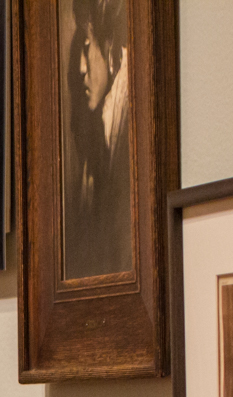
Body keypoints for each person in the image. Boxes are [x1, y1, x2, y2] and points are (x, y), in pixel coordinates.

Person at [62, 0, 131, 279]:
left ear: (109, 44)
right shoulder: (98, 127)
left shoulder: (129, 110)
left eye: (87, 45)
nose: (80, 67)